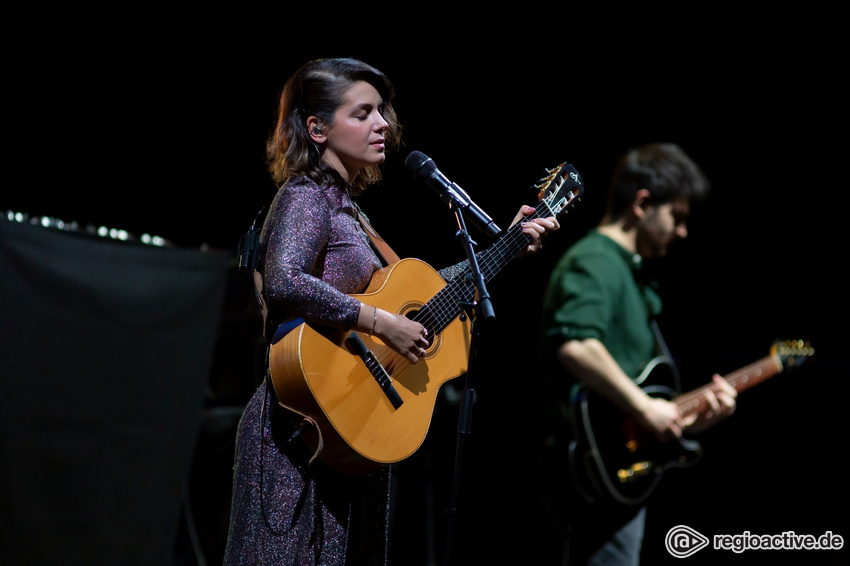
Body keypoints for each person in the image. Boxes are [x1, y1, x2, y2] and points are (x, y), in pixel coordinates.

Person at [222, 57, 560, 566]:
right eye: (363, 113)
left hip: (351, 430)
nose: (383, 123)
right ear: (317, 128)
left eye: (382, 110)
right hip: (298, 428)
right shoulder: (306, 196)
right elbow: (285, 282)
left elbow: (427, 294)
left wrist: (508, 246)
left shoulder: (349, 210)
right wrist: (382, 323)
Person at [537, 142, 738, 565]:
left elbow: (637, 387)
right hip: (588, 482)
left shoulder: (629, 269)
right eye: (677, 218)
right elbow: (575, 344)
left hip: (620, 472)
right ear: (643, 203)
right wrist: (646, 408)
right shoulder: (595, 261)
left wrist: (687, 415)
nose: (682, 232)